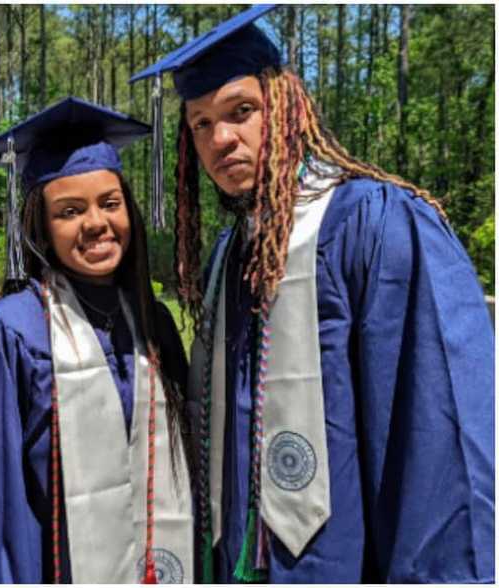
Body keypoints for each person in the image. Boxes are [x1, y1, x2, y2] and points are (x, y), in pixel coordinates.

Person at [132, 5, 495, 583]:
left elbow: (439, 437)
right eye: (201, 123)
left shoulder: (376, 225)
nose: (220, 138)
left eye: (241, 111)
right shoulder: (231, 253)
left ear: (284, 105)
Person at [0, 97, 194, 584]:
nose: (96, 222)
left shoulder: (152, 322)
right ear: (41, 226)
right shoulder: (7, 334)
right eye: (70, 211)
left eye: (110, 203)